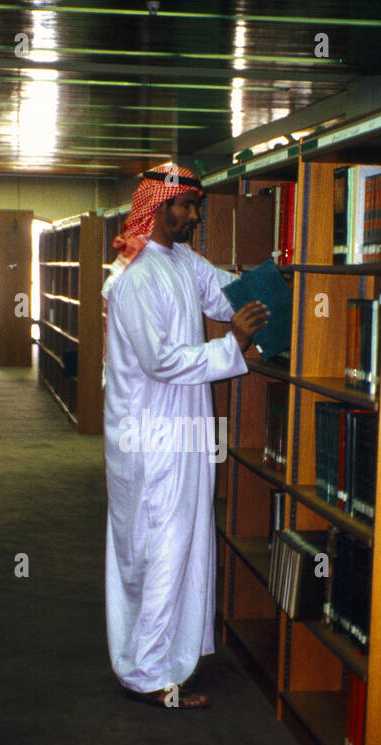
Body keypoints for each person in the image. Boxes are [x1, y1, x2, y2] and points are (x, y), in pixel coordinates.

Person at [102, 163, 269, 709]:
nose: (194, 216)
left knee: (183, 544)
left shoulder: (178, 260)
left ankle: (169, 657)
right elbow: (161, 362)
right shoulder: (134, 278)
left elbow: (223, 296)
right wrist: (233, 346)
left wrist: (270, 299)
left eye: (197, 206)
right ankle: (147, 675)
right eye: (186, 206)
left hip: (181, 431)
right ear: (157, 206)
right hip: (150, 437)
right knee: (160, 548)